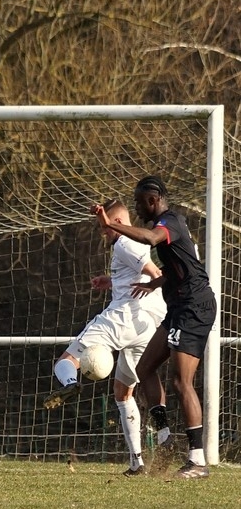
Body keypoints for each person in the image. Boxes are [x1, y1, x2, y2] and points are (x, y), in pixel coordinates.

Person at [93, 176, 217, 479]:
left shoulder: (169, 222)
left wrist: (112, 224)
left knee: (181, 382)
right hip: (178, 307)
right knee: (145, 368)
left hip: (194, 307)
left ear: (153, 200)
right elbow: (182, 266)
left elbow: (150, 239)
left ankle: (197, 461)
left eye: (139, 203)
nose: (137, 208)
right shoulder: (170, 223)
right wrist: (155, 283)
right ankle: (165, 439)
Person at [43, 199, 166, 476]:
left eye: (106, 227)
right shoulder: (135, 242)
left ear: (118, 223)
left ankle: (71, 383)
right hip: (145, 327)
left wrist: (152, 284)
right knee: (123, 392)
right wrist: (111, 281)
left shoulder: (124, 243)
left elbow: (155, 273)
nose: (104, 232)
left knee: (65, 362)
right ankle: (138, 461)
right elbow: (140, 273)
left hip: (122, 318)